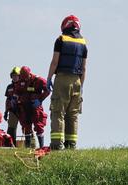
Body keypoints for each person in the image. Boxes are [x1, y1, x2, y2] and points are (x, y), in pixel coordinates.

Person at [46, 15, 88, 150]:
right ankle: (71, 145)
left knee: (58, 111)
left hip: (62, 78)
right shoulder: (83, 43)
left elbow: (54, 62)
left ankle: (57, 145)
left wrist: (49, 78)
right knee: (73, 114)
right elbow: (84, 68)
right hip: (77, 80)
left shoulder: (61, 40)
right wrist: (80, 85)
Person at [15, 66, 50, 148]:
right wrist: (15, 98)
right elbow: (17, 91)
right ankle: (27, 146)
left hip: (35, 107)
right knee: (26, 126)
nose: (25, 79)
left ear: (29, 74)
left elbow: (47, 90)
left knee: (38, 125)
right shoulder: (21, 81)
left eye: (26, 77)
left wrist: (40, 100)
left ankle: (41, 146)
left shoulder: (38, 80)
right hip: (24, 106)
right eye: (23, 77)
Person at [4, 66, 21, 146]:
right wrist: (6, 111)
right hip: (12, 111)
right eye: (13, 75)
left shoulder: (23, 85)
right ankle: (11, 145)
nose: (14, 77)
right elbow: (7, 100)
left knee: (27, 128)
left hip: (22, 110)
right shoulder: (9, 87)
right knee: (11, 128)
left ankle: (31, 145)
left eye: (16, 75)